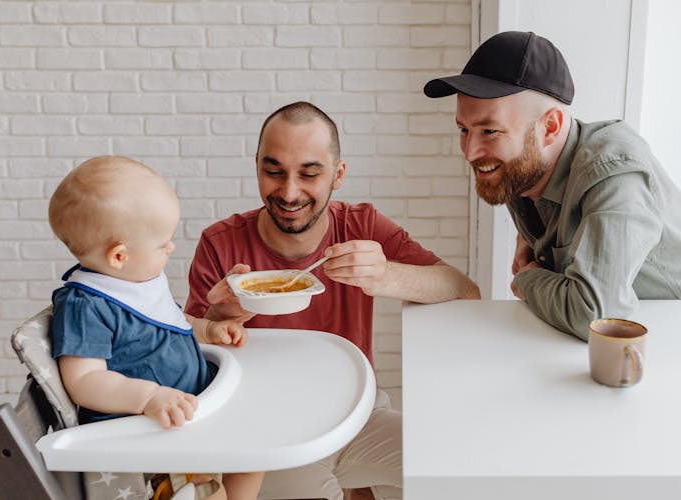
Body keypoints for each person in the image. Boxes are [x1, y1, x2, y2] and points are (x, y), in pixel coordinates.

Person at [185, 101, 480, 500]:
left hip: (359, 412)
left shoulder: (361, 225)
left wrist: (387, 275)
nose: (289, 193)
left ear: (338, 174)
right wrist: (219, 316)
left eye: (309, 174)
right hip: (268, 429)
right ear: (257, 166)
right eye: (274, 172)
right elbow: (186, 363)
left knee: (459, 466)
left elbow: (464, 291)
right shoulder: (220, 244)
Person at [424, 30, 681, 339]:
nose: (470, 151)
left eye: (490, 131)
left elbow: (593, 315)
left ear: (550, 127)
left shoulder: (614, 173)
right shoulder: (522, 170)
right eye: (464, 129)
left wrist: (529, 279)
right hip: (637, 347)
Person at [48, 156, 264, 500]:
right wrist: (148, 397)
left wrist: (207, 330)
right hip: (152, 438)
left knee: (255, 457)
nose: (171, 247)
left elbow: (168, 325)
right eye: (163, 243)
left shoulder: (136, 280)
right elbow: (84, 381)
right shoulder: (86, 305)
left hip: (194, 414)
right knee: (211, 494)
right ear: (119, 256)